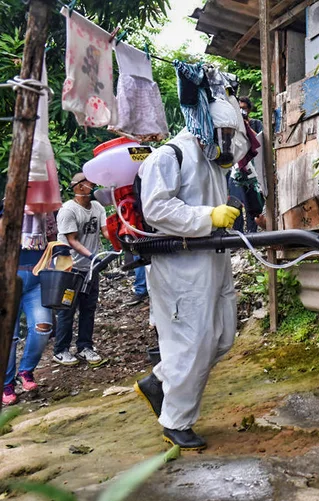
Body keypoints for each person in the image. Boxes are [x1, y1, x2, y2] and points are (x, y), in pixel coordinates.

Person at [133, 98, 248, 450]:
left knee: (223, 335)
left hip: (213, 259)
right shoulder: (168, 156)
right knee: (193, 343)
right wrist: (206, 217)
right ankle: (176, 422)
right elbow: (156, 208)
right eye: (223, 134)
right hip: (180, 267)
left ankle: (161, 379)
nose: (227, 141)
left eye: (231, 134)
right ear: (205, 128)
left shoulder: (213, 162)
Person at [53, 173, 108, 367]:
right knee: (66, 309)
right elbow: (72, 240)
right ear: (78, 187)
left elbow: (106, 231)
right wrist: (92, 256)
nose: (92, 186)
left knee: (88, 307)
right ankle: (61, 350)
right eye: (88, 183)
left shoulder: (98, 208)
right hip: (68, 266)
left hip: (90, 267)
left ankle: (85, 346)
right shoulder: (68, 210)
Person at [2, 212, 54, 405]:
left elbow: (52, 239)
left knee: (43, 326)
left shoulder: (46, 212)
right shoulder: (7, 208)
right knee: (9, 337)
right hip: (8, 280)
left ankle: (26, 370)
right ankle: (6, 384)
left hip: (37, 278)